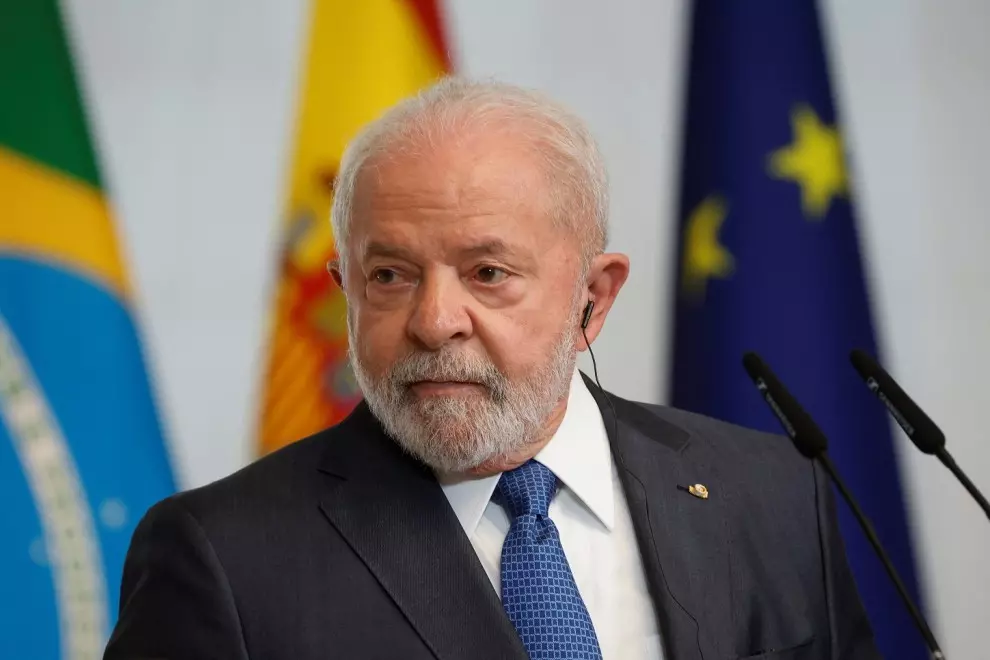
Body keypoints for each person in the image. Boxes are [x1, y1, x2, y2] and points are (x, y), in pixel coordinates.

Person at [104, 77, 880, 660]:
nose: (435, 321)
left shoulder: (772, 492)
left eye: (487, 273)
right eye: (390, 276)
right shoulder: (223, 557)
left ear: (593, 298)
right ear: (345, 292)